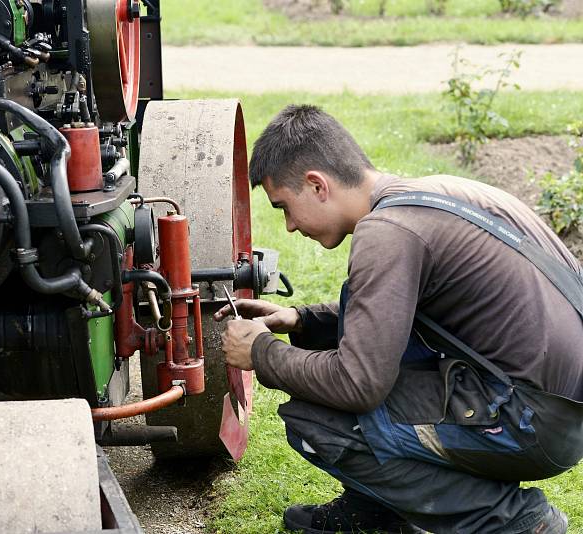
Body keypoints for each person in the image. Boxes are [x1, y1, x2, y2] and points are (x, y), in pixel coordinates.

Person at [216, 104, 583, 534]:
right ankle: (379, 511)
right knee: (376, 372)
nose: (290, 227)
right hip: (556, 408)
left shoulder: (387, 233)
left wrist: (260, 351)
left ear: (317, 185)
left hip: (528, 422)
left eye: (284, 207)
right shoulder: (435, 195)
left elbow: (358, 383)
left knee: (318, 420)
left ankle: (515, 522)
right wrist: (300, 320)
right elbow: (392, 318)